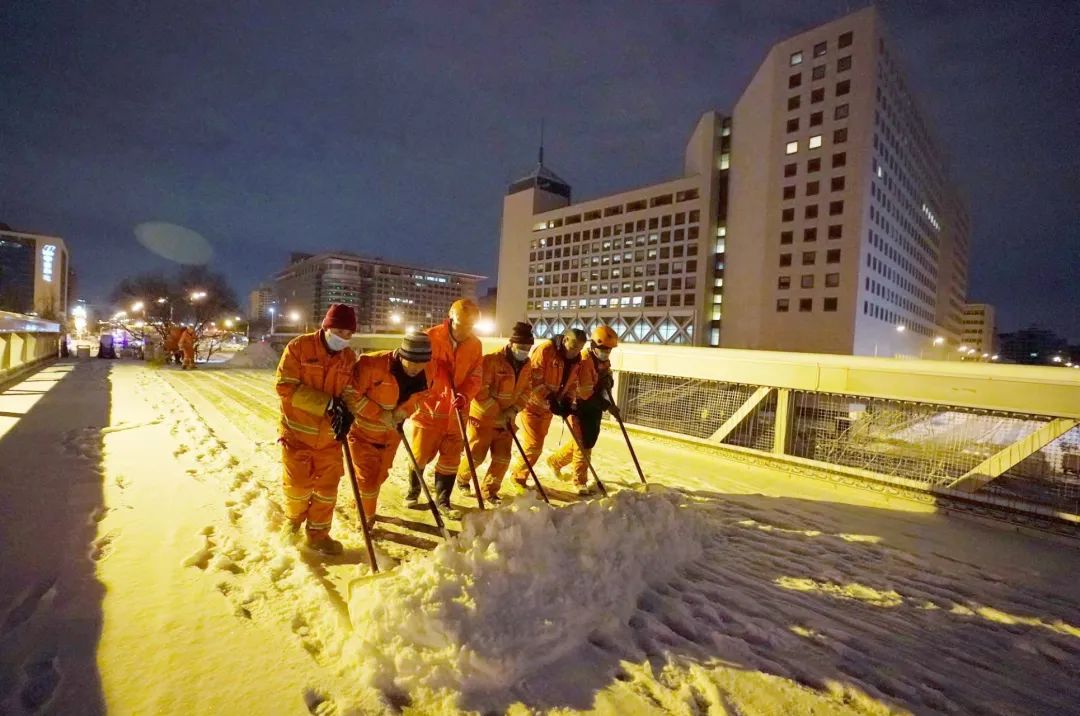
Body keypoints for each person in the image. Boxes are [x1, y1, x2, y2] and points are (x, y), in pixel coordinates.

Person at [274, 304, 357, 555]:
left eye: (348, 334)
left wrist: (348, 413)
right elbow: (284, 387)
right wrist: (327, 403)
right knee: (298, 488)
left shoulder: (349, 358)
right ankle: (294, 521)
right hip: (298, 434)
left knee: (326, 491)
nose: (343, 337)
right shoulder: (299, 348)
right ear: (326, 326)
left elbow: (350, 392)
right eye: (339, 331)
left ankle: (319, 535)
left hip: (330, 439)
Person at [342, 332, 436, 520]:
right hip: (363, 433)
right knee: (367, 480)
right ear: (401, 354)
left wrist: (405, 411)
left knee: (380, 476)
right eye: (411, 362)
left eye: (421, 363)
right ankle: (367, 519)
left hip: (392, 435)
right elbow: (351, 395)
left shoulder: (428, 372)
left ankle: (361, 502)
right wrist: (380, 414)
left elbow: (422, 396)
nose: (416, 368)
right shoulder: (371, 365)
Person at [404, 299, 484, 520]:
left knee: (451, 460)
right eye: (461, 324)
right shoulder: (429, 338)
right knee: (420, 455)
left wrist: (465, 395)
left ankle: (443, 500)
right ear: (451, 317)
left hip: (457, 412)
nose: (465, 330)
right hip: (430, 410)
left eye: (470, 326)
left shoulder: (475, 345)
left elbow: (476, 375)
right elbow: (416, 371)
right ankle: (413, 490)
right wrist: (440, 382)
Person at [455, 321, 535, 504]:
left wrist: (513, 410)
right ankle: (462, 477)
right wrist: (496, 412)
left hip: (506, 420)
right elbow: (480, 390)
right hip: (483, 418)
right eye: (522, 347)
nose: (525, 351)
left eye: (528, 347)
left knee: (502, 458)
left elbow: (527, 390)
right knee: (476, 456)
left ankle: (489, 491)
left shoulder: (527, 365)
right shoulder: (491, 360)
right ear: (511, 343)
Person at [507, 327, 586, 489]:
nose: (575, 352)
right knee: (534, 446)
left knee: (538, 444)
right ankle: (518, 476)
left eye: (580, 348)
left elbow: (572, 383)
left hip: (548, 409)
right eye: (573, 347)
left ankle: (530, 470)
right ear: (565, 340)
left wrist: (567, 401)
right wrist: (549, 397)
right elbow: (534, 378)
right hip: (532, 405)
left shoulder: (576, 359)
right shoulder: (546, 350)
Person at [548, 325, 620, 495]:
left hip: (594, 406)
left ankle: (555, 461)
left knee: (583, 441)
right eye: (603, 349)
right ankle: (579, 481)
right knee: (583, 446)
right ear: (594, 346)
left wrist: (608, 380)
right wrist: (608, 406)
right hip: (580, 405)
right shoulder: (585, 361)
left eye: (609, 350)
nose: (606, 353)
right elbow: (586, 392)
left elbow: (605, 375)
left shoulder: (602, 360)